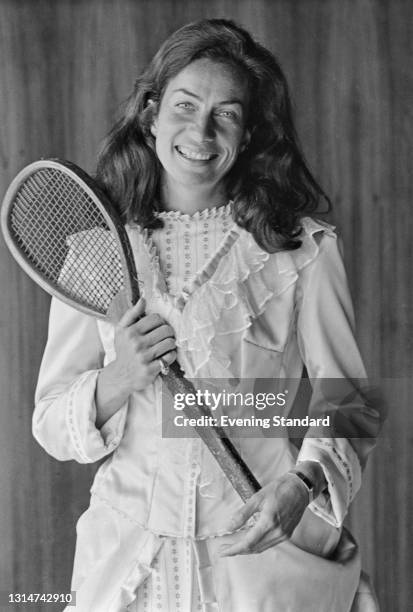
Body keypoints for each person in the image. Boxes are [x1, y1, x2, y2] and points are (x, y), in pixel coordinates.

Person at [33, 18, 381, 612]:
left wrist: (302, 485)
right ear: (150, 115)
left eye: (226, 113)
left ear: (246, 136)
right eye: (185, 105)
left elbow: (349, 403)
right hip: (126, 568)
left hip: (262, 563)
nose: (201, 130)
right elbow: (49, 423)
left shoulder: (302, 250)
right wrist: (119, 379)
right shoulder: (95, 251)